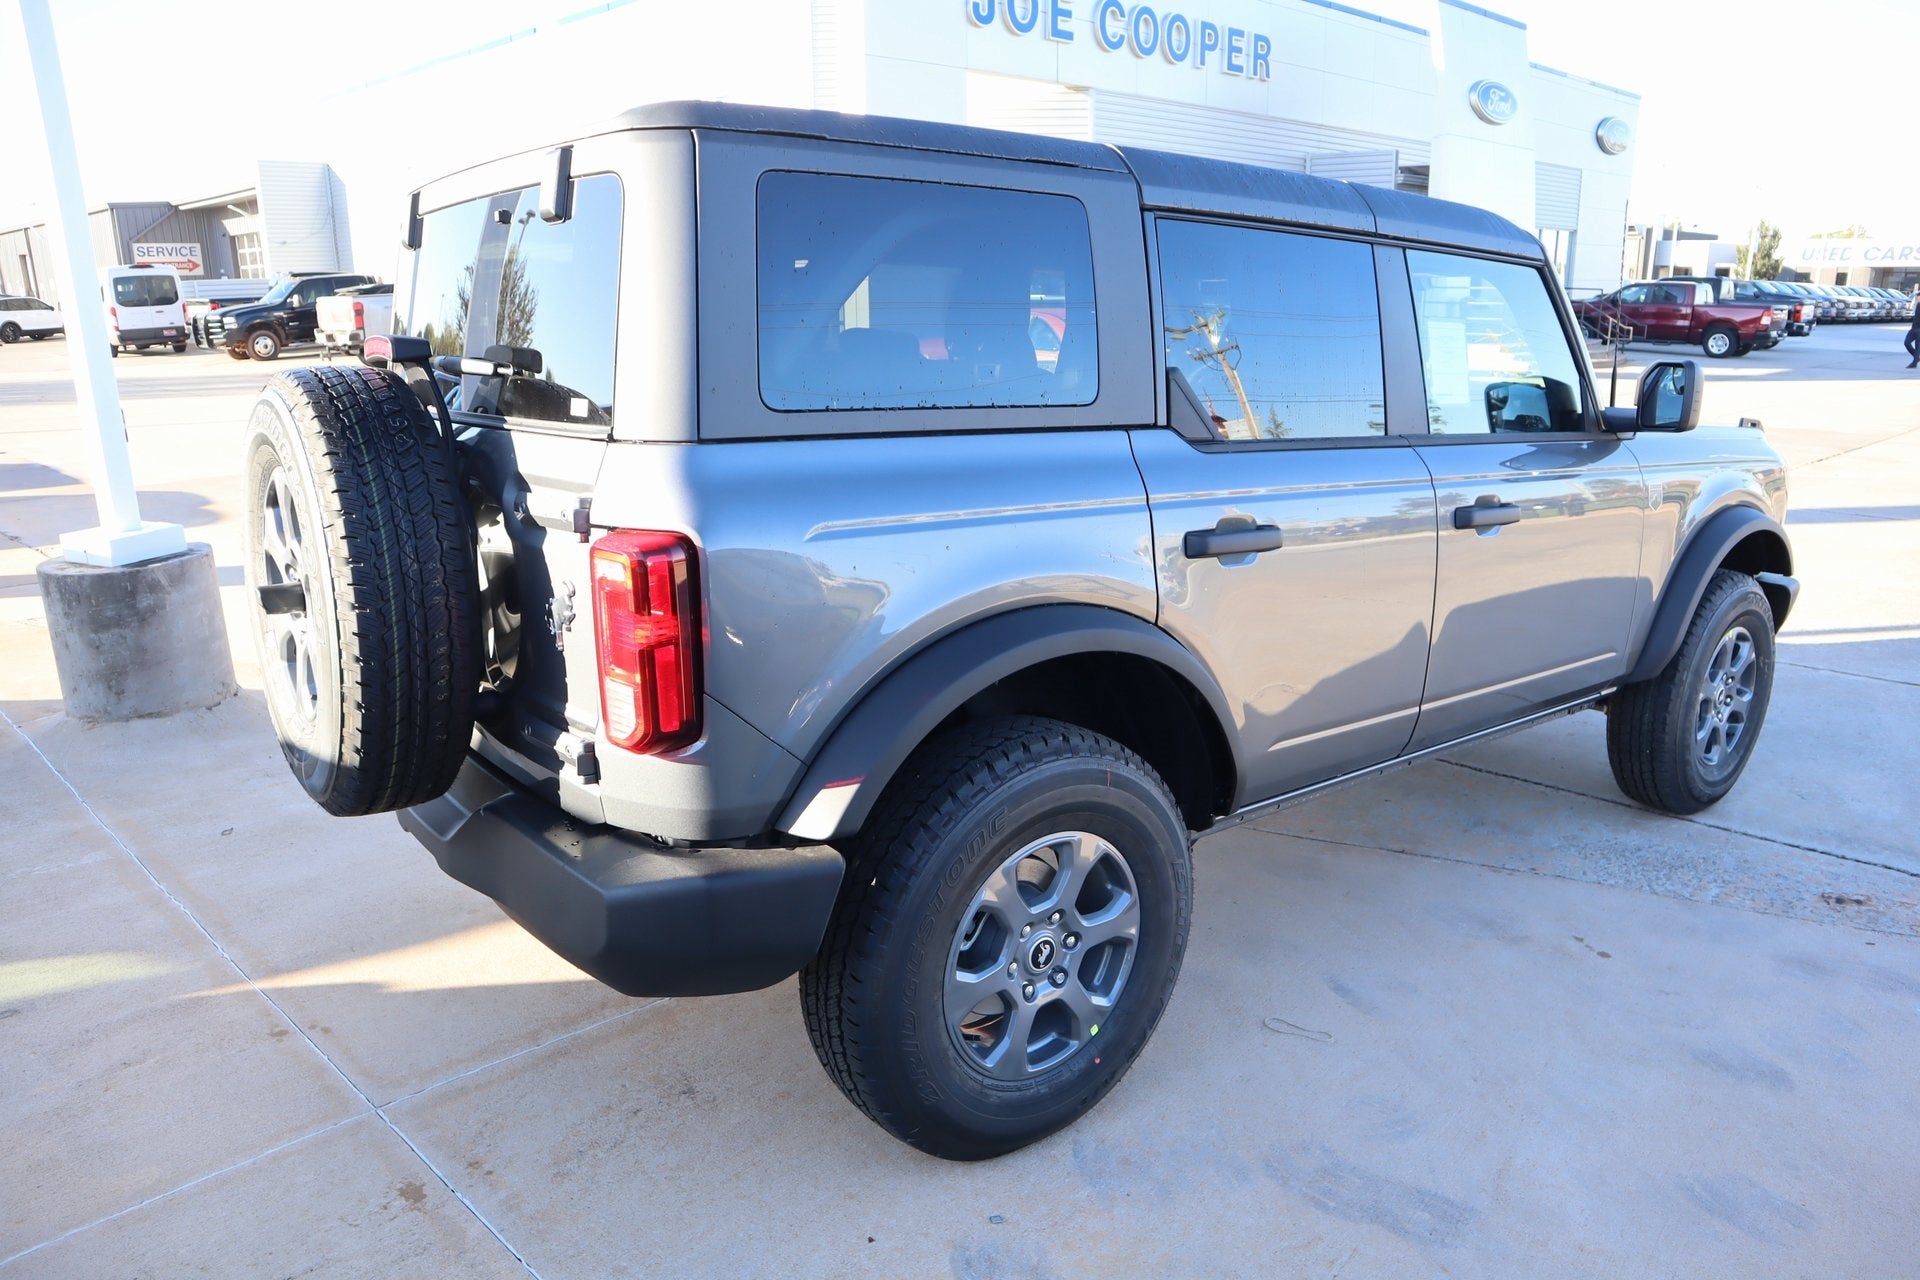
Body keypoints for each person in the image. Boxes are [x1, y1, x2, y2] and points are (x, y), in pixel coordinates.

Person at [1907, 299, 1920, 368]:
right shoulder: (1917, 305)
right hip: (1913, 328)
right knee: (1907, 343)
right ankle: (1916, 358)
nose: (1917, 299)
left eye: (1918, 297)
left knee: (1918, 346)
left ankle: (1914, 363)